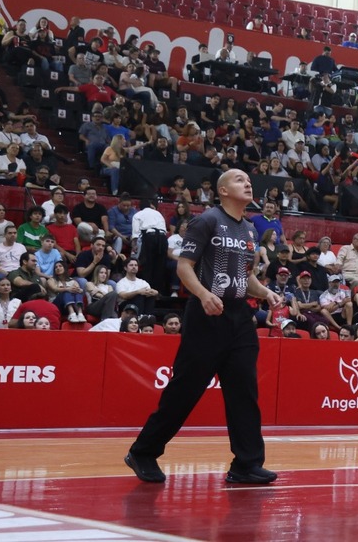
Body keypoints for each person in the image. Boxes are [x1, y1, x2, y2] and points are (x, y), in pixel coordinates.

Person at [125, 169, 283, 486]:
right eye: (239, 180)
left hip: (239, 316)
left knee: (244, 391)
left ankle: (246, 464)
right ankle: (143, 451)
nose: (247, 183)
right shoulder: (206, 221)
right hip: (206, 312)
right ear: (223, 190)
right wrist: (203, 294)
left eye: (248, 180)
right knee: (185, 389)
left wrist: (264, 292)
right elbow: (185, 267)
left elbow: (245, 275)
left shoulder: (251, 230)